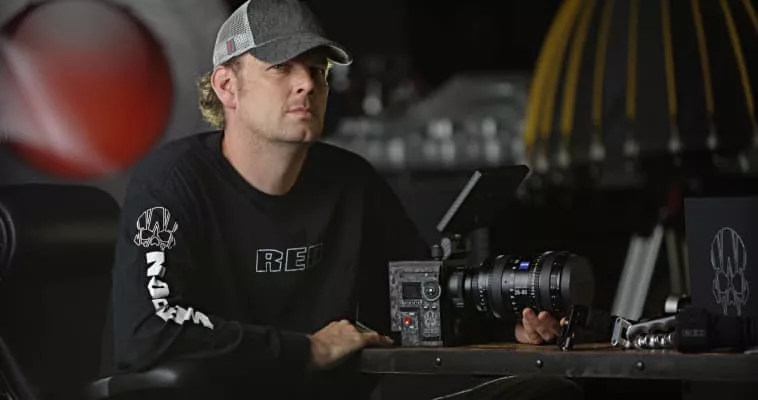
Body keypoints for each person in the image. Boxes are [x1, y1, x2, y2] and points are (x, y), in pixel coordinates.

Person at [104, 0, 583, 399]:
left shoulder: (350, 181)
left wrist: (509, 330)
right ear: (227, 86)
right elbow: (150, 331)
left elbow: (419, 310)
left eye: (317, 70)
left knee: (546, 391)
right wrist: (309, 349)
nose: (308, 84)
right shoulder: (173, 182)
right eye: (281, 67)